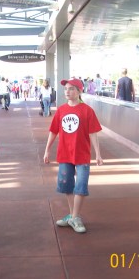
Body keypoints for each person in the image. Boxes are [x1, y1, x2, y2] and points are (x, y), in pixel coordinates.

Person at [44, 78, 103, 233]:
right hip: (64, 154)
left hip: (82, 155)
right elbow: (53, 131)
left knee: (81, 186)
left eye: (71, 89)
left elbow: (93, 133)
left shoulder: (87, 111)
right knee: (67, 185)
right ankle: (73, 216)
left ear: (79, 91)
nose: (67, 92)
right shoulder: (61, 110)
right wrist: (47, 150)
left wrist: (98, 154)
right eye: (66, 89)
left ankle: (74, 217)